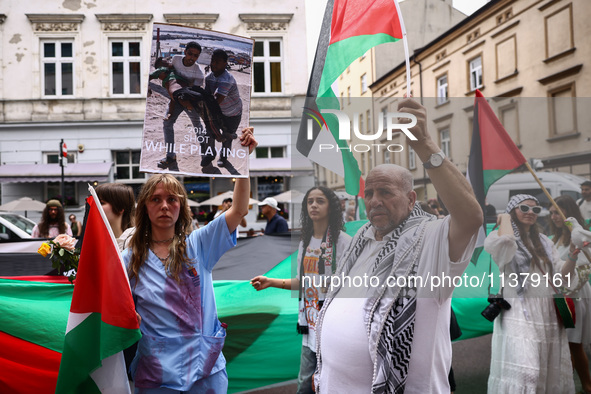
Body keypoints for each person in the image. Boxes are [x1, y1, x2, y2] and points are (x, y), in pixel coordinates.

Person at [314, 97, 483, 393]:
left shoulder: (430, 240)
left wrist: (425, 144)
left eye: (386, 192)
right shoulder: (360, 242)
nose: (375, 200)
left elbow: (470, 217)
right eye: (371, 193)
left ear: (411, 199)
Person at [123, 127, 256, 393]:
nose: (164, 206)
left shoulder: (198, 244)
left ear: (181, 205)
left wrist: (243, 161)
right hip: (156, 374)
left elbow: (239, 210)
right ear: (145, 207)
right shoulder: (129, 258)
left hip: (204, 370)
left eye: (171, 199)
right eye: (156, 199)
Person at [250, 187, 352, 394]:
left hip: (333, 331)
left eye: (320, 201)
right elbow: (301, 281)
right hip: (310, 330)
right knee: (304, 386)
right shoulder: (305, 242)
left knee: (333, 386)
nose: (314, 205)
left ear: (331, 207)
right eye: (310, 201)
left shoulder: (344, 242)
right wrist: (270, 281)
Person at [484, 194, 577, 393]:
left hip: (546, 311)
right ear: (512, 211)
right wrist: (506, 219)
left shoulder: (544, 241)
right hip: (518, 310)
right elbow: (508, 243)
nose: (530, 213)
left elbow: (560, 277)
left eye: (535, 210)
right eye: (523, 208)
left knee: (544, 370)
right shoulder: (499, 236)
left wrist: (572, 256)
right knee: (527, 371)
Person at [548, 195, 591, 394]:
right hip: (560, 298)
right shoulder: (554, 239)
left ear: (569, 213)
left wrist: (563, 288)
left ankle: (586, 385)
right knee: (565, 343)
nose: (553, 216)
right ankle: (572, 385)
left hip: (574, 298)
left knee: (573, 344)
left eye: (557, 212)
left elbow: (584, 271)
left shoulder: (579, 236)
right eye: (551, 213)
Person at [157, 42, 205, 172]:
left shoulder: (199, 72)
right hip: (175, 99)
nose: (192, 57)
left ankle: (206, 153)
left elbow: (195, 91)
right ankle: (170, 156)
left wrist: (189, 105)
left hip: (190, 100)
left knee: (197, 126)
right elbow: (169, 76)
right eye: (190, 53)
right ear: (185, 52)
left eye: (195, 56)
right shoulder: (176, 59)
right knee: (167, 123)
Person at [199, 49, 243, 175]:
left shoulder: (227, 79)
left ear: (225, 63)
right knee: (209, 132)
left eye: (217, 62)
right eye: (212, 61)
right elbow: (208, 96)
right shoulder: (209, 77)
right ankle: (211, 154)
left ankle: (223, 158)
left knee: (227, 136)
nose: (213, 64)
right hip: (218, 111)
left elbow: (216, 101)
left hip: (233, 113)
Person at [95, 183, 136, 251]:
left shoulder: (135, 242)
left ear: (120, 207)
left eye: (101, 203)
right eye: (95, 202)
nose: (95, 206)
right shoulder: (97, 240)